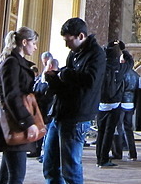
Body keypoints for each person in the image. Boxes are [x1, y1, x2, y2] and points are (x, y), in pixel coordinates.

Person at [42, 17, 106, 184]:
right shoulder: (74, 54)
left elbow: (90, 81)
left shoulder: (97, 54)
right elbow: (67, 84)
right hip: (61, 112)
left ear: (81, 36)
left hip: (77, 116)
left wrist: (64, 73)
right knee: (50, 165)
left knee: (70, 168)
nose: (66, 45)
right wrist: (53, 79)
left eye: (69, 40)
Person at [0, 27, 41, 184]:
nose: (35, 47)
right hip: (15, 122)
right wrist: (28, 122)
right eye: (33, 43)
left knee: (8, 174)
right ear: (24, 42)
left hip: (15, 120)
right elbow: (11, 96)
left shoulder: (15, 62)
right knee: (16, 176)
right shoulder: (11, 63)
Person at [95, 40, 127, 168]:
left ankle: (99, 159)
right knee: (109, 133)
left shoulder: (100, 67)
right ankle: (104, 159)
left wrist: (106, 49)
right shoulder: (120, 67)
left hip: (101, 104)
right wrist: (123, 49)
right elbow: (130, 61)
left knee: (101, 132)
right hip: (114, 104)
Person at [116, 59, 141, 161]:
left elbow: (119, 89)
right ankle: (133, 153)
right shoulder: (135, 74)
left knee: (118, 128)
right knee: (128, 129)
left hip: (121, 102)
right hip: (130, 103)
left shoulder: (122, 73)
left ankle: (118, 152)